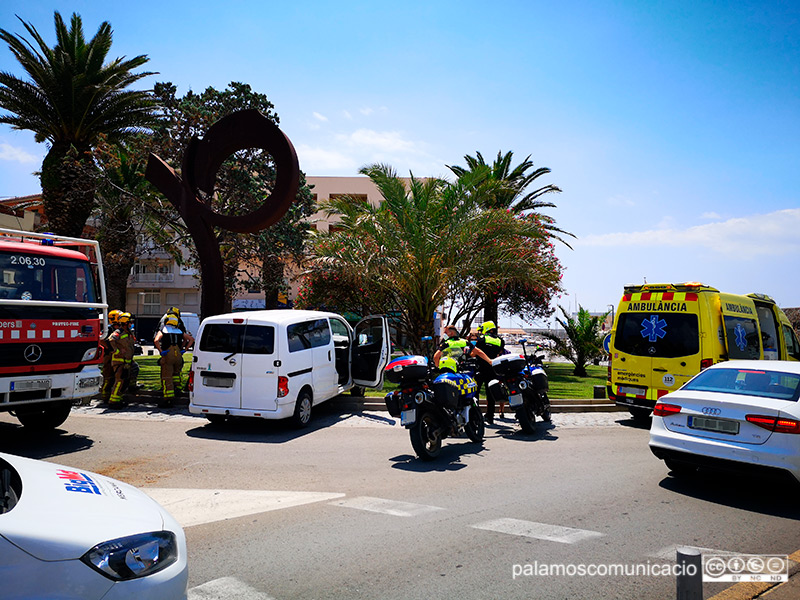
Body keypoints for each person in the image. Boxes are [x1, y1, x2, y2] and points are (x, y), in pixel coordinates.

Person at [153, 314, 194, 407]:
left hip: (168, 354)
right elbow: (191, 339)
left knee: (166, 377)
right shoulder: (179, 331)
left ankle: (168, 399)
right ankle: (178, 388)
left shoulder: (163, 330)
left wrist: (161, 351)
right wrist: (184, 349)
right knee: (176, 373)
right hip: (178, 355)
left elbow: (156, 340)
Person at [475, 321, 506, 424]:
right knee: (490, 394)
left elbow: (476, 352)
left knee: (475, 392)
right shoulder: (500, 341)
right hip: (493, 369)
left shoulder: (482, 340)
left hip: (480, 368)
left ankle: (476, 415)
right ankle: (490, 416)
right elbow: (499, 352)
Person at [108, 312, 135, 409]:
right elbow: (111, 339)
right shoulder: (118, 331)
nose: (131, 324)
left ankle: (119, 399)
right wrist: (117, 350)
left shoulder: (129, 332)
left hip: (126, 361)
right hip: (119, 361)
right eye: (130, 322)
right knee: (119, 381)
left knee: (124, 382)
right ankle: (113, 401)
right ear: (125, 322)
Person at [99, 309, 121, 405]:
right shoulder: (108, 329)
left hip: (115, 355)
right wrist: (109, 348)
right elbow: (100, 339)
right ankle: (105, 396)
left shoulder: (119, 329)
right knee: (108, 376)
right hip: (108, 355)